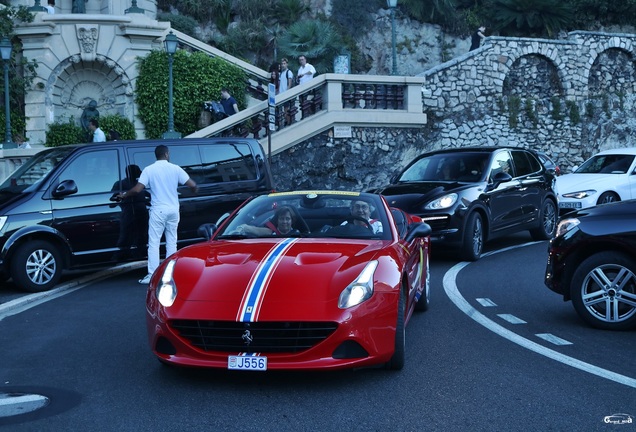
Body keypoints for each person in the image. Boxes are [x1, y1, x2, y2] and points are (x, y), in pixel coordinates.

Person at [117, 145, 198, 284]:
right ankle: (171, 274)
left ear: (156, 155)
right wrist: (194, 190)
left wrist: (124, 195)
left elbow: (137, 189)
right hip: (173, 210)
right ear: (167, 154)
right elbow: (192, 185)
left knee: (154, 243)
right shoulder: (175, 168)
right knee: (172, 241)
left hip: (159, 210)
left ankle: (152, 275)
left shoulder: (149, 169)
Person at [111, 164, 148, 261]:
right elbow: (111, 201)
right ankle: (118, 257)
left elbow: (149, 196)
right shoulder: (120, 184)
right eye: (138, 171)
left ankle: (139, 257)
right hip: (128, 214)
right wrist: (118, 197)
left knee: (142, 237)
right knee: (125, 238)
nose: (140, 172)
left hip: (142, 214)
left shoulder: (141, 184)